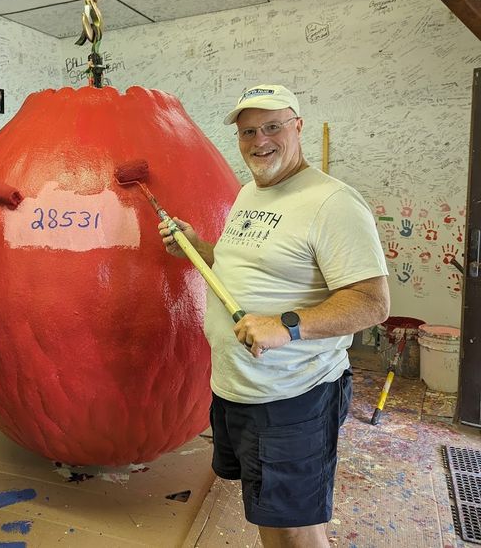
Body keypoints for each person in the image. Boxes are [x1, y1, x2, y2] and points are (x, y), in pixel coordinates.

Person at [158, 85, 389, 548]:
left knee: (290, 527)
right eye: (248, 131)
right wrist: (196, 246)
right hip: (239, 389)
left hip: (292, 397)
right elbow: (244, 268)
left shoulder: (331, 202)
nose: (259, 140)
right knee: (277, 513)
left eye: (272, 127)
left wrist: (287, 325)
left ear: (297, 127)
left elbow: (371, 302)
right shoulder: (249, 193)